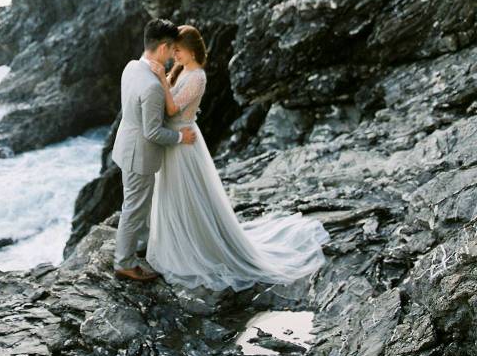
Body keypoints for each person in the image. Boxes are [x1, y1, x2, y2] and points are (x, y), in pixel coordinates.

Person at [144, 24, 331, 291]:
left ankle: (195, 247)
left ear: (193, 51)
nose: (175, 56)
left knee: (187, 196)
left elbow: (172, 109)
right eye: (173, 51)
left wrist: (160, 78)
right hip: (176, 140)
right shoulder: (182, 70)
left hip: (184, 143)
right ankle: (175, 243)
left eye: (179, 51)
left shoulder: (197, 77)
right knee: (172, 195)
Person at [111, 18, 197, 282]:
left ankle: (143, 247)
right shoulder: (151, 86)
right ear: (162, 48)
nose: (173, 56)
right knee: (134, 208)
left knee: (136, 204)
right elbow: (153, 132)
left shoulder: (132, 66)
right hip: (139, 154)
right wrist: (180, 137)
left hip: (126, 145)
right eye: (172, 50)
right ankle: (123, 262)